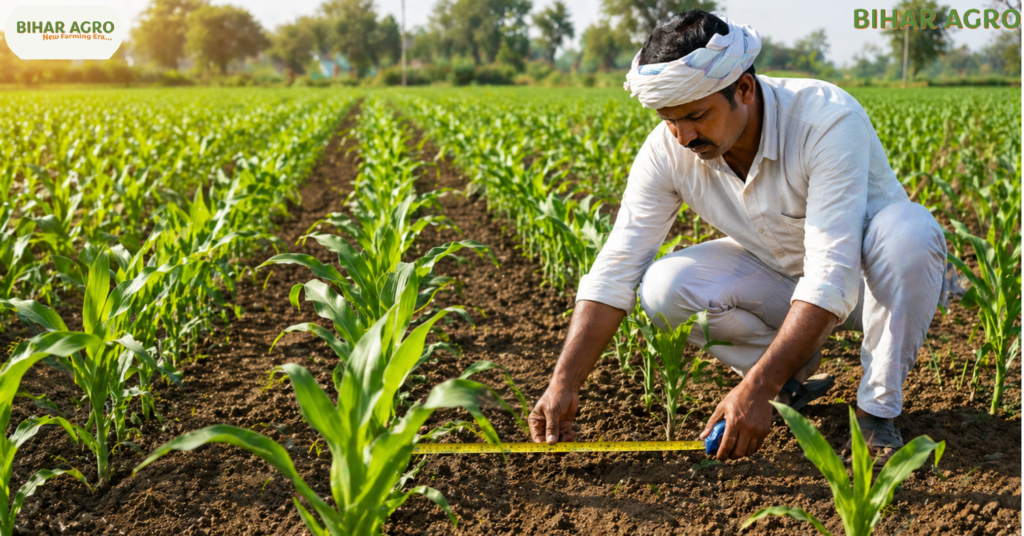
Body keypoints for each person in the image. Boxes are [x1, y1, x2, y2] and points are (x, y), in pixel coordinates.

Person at [528, 10, 957, 464]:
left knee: (909, 230)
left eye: (695, 115)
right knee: (662, 288)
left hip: (875, 287)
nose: (683, 136)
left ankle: (876, 410)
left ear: (745, 90)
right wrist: (564, 382)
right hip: (784, 279)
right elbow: (617, 266)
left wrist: (755, 389)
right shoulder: (668, 148)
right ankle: (789, 382)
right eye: (669, 120)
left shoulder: (825, 119)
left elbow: (832, 272)